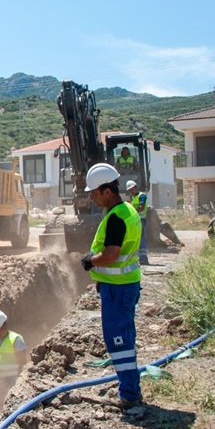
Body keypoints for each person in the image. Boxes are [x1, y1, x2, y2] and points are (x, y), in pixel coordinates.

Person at [79, 163, 143, 408]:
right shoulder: (128, 210)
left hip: (117, 289)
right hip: (125, 285)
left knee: (118, 339)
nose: (91, 198)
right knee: (125, 336)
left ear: (107, 191)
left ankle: (129, 394)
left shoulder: (116, 218)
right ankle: (130, 386)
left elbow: (112, 255)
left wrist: (90, 261)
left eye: (93, 193)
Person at [125, 180, 150, 265]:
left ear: (136, 187)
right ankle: (138, 258)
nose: (131, 191)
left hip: (141, 220)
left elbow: (141, 207)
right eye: (130, 190)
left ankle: (143, 259)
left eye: (132, 189)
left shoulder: (141, 196)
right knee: (136, 239)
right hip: (135, 220)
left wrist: (132, 212)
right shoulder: (133, 198)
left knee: (141, 238)